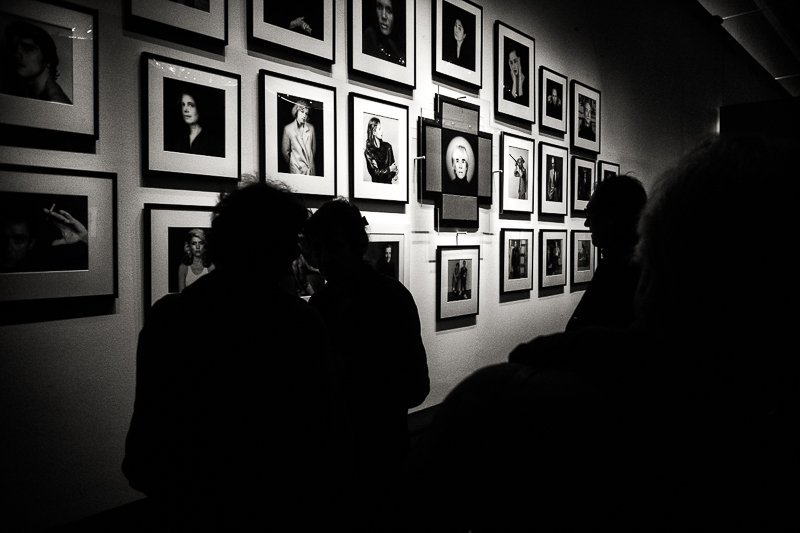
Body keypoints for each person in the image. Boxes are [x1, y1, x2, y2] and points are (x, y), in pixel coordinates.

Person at [400, 136, 799, 531]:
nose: (587, 222)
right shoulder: (758, 459)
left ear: (650, 269)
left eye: (594, 213)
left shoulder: (504, 404)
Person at [122, 182, 356, 530]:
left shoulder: (168, 316)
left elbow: (142, 457)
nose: (296, 251)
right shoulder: (297, 324)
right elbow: (329, 442)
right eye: (291, 240)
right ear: (274, 248)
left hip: (182, 516)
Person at [303, 198, 429, 528]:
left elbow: (417, 387)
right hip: (336, 460)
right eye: (318, 248)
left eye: (334, 246)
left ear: (359, 246)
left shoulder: (392, 300)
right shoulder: (319, 304)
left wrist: (352, 374)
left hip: (382, 458)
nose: (324, 258)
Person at [564, 174, 646, 331]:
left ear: (610, 216)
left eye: (590, 214)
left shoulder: (619, 270)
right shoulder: (641, 263)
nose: (586, 223)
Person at [2, 20, 71, 104]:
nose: (16, 54)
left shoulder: (54, 101)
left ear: (48, 59)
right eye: (14, 47)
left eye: (28, 49)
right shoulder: (28, 93)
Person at [172, 89, 224, 157]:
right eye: (183, 104)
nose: (185, 110)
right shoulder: (181, 140)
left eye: (191, 105)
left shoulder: (212, 141)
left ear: (200, 107)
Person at [362, 0, 405, 65]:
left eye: (389, 11)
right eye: (379, 7)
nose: (383, 16)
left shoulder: (405, 43)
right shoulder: (370, 36)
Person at [281, 98, 317, 175]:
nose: (304, 116)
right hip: (297, 170)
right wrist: (294, 164)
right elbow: (285, 152)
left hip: (310, 170)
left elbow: (313, 150)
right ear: (296, 111)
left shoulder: (311, 128)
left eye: (306, 113)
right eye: (302, 112)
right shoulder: (288, 129)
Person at [177, 228, 215, 292]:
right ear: (189, 246)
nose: (197, 247)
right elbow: (181, 295)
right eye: (194, 243)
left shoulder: (211, 267)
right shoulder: (183, 268)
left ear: (205, 245)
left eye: (201, 243)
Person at [364, 116, 398, 184]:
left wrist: (393, 172)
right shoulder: (368, 152)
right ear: (374, 132)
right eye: (379, 129)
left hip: (388, 186)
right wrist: (389, 169)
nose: (382, 131)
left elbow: (393, 172)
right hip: (376, 187)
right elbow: (375, 175)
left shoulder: (388, 147)